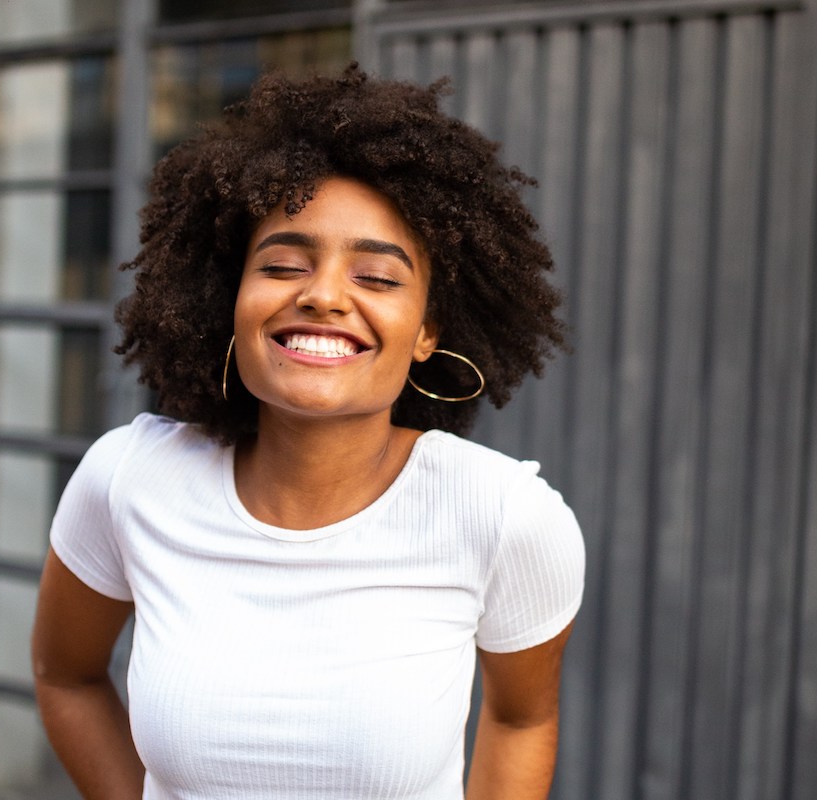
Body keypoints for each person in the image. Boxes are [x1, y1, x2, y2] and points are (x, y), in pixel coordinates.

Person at [31, 65, 585, 800]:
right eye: (284, 264)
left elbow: (520, 722)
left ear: (427, 331)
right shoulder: (129, 478)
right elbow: (64, 674)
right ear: (228, 300)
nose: (323, 296)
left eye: (378, 279)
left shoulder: (502, 513)